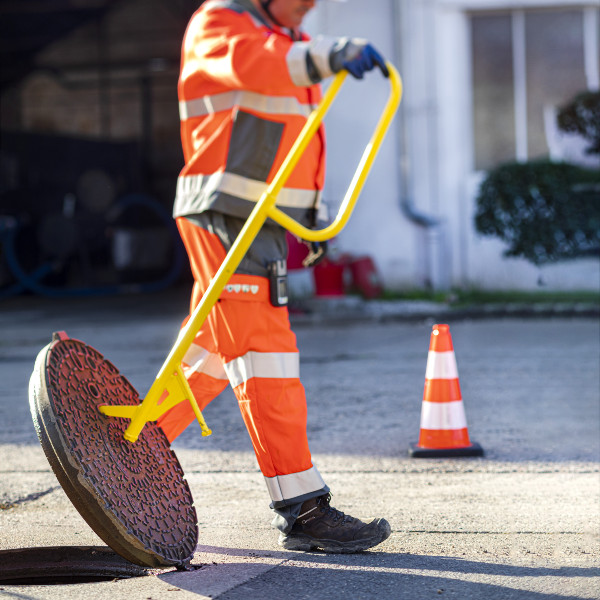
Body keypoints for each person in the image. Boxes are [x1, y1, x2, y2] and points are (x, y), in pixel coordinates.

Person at [159, 0, 391, 553]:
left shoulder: (286, 39)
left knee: (215, 350)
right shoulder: (225, 25)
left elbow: (294, 144)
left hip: (258, 218)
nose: (311, 4)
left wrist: (309, 225)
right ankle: (303, 510)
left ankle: (131, 446)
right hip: (224, 212)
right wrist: (329, 53)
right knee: (265, 352)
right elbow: (257, 65)